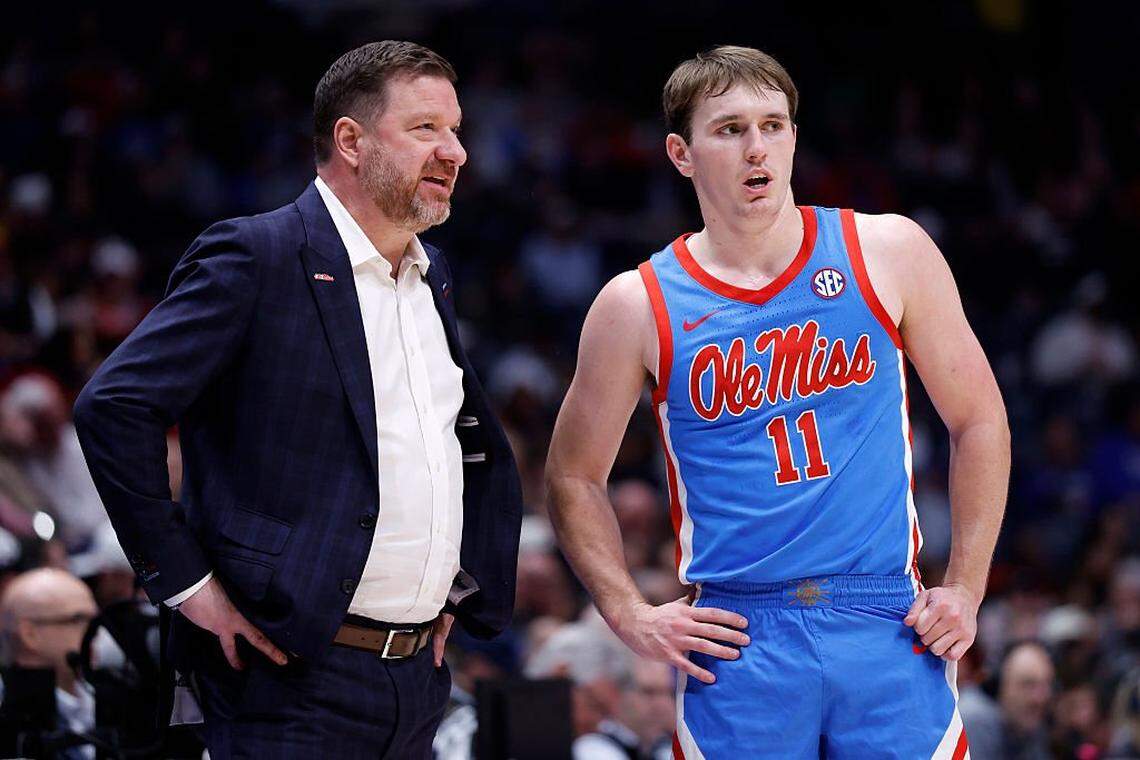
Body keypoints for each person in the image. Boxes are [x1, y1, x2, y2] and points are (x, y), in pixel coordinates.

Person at [546, 45, 1010, 757]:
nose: (756, 146)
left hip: (886, 616)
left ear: (794, 136)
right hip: (738, 633)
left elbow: (978, 420)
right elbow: (572, 476)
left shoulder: (887, 249)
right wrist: (628, 612)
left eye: (773, 124)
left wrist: (968, 587)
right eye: (729, 129)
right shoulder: (635, 303)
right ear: (681, 152)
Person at [73, 40, 522, 758]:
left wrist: (458, 584)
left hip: (417, 679)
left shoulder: (429, 271)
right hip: (288, 678)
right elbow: (114, 407)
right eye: (426, 129)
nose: (457, 152)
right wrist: (186, 583)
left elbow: (449, 445)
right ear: (351, 140)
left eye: (456, 129)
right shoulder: (258, 256)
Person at [0, 567, 99, 759]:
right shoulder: (8, 720)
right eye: (78, 619)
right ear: (30, 634)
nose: (96, 632)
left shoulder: (107, 699)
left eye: (95, 620)